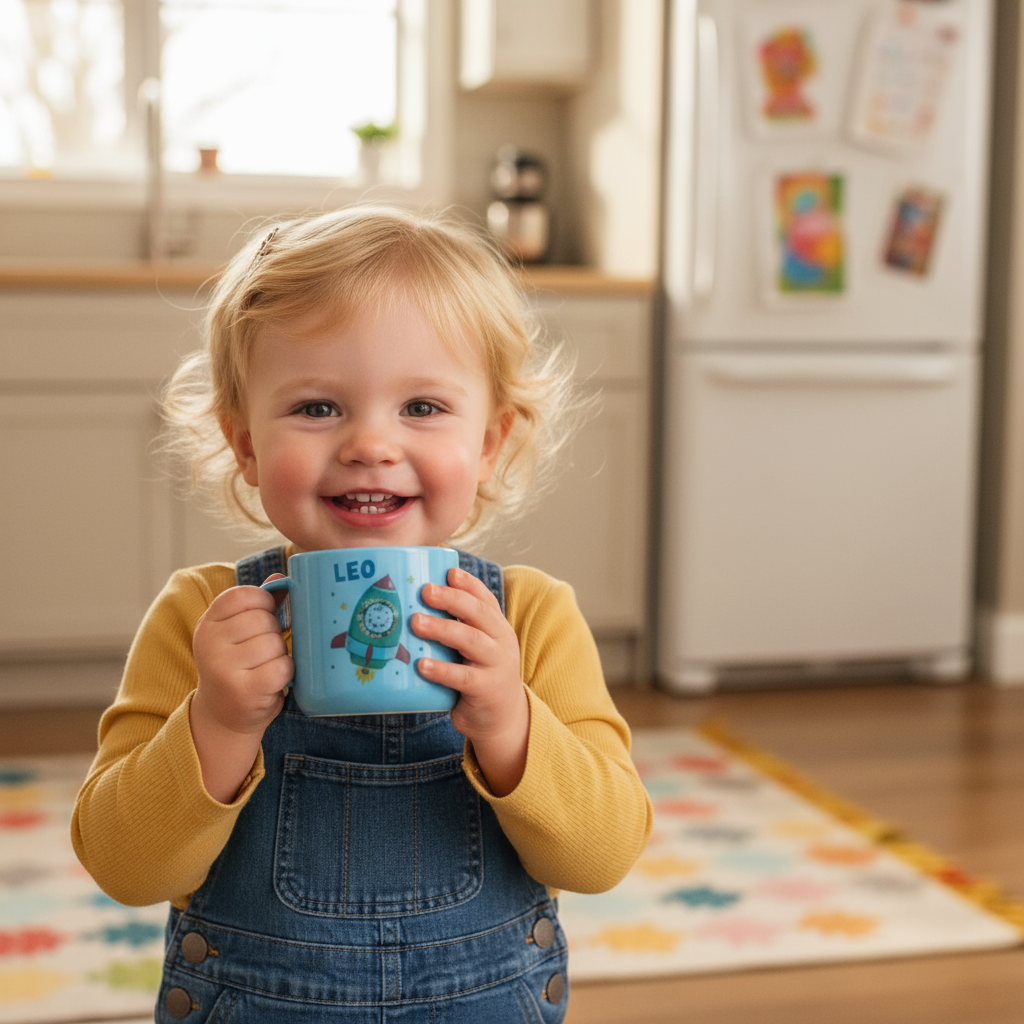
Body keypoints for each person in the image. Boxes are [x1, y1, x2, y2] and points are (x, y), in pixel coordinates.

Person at [71, 205, 653, 1023]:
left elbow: (605, 854)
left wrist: (511, 722)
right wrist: (218, 723)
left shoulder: (532, 619)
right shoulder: (200, 618)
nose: (370, 444)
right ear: (245, 441)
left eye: (421, 407)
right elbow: (125, 869)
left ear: (489, 441)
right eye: (317, 408)